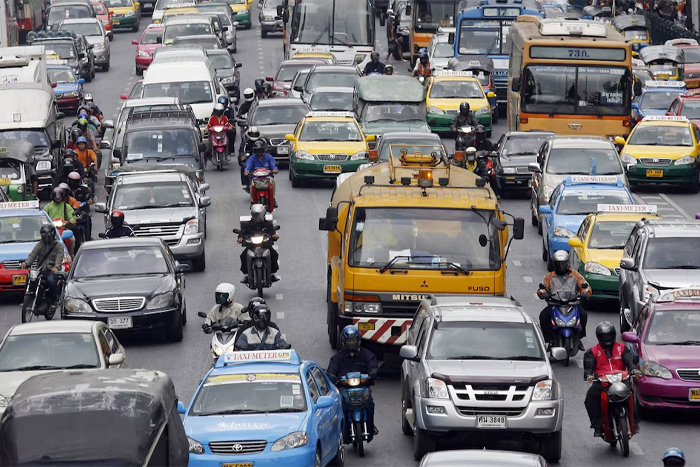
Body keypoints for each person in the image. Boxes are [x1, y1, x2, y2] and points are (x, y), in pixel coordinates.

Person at [583, 321, 640, 438]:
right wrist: (589, 375)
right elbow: (588, 367)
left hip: (621, 380)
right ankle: (597, 426)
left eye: (609, 335)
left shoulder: (622, 348)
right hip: (602, 383)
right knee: (590, 397)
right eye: (604, 336)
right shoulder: (592, 352)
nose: (607, 339)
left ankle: (634, 421)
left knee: (633, 394)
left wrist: (633, 369)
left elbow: (629, 361)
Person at [327, 325, 379, 437]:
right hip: (344, 389)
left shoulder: (366, 355)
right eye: (349, 341)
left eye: (353, 340)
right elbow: (331, 371)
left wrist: (373, 373)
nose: (351, 343)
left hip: (363, 387)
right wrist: (332, 378)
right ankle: (340, 430)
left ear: (358, 340)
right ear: (344, 341)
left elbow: (373, 365)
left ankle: (371, 425)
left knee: (370, 404)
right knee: (339, 406)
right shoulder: (337, 357)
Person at [537, 250, 590, 350]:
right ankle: (549, 339)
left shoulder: (575, 275)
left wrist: (585, 292)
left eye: (563, 263)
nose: (561, 266)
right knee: (544, 316)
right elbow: (542, 288)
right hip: (554, 304)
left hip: (572, 303)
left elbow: (585, 285)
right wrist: (542, 293)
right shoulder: (549, 276)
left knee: (583, 315)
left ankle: (579, 337)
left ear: (567, 263)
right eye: (558, 264)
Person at [21, 224, 65, 312]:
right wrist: (26, 263)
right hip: (40, 270)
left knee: (51, 281)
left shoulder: (59, 246)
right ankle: (30, 299)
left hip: (51, 271)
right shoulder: (39, 245)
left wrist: (56, 267)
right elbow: (33, 255)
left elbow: (59, 257)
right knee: (30, 278)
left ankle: (54, 301)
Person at [237, 203, 279, 282]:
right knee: (243, 256)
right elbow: (242, 233)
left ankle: (272, 273)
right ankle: (246, 275)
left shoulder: (268, 224)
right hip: (251, 246)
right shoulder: (248, 224)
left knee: (274, 254)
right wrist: (240, 238)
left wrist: (274, 236)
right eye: (255, 215)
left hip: (265, 245)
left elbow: (272, 232)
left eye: (259, 214)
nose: (257, 217)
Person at [244, 140, 279, 206]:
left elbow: (273, 165)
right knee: (251, 185)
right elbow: (248, 165)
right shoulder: (252, 158)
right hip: (255, 178)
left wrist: (274, 169)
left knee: (273, 182)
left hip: (267, 177)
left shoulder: (269, 157)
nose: (259, 153)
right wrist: (247, 171)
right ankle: (252, 202)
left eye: (260, 150)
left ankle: (273, 199)